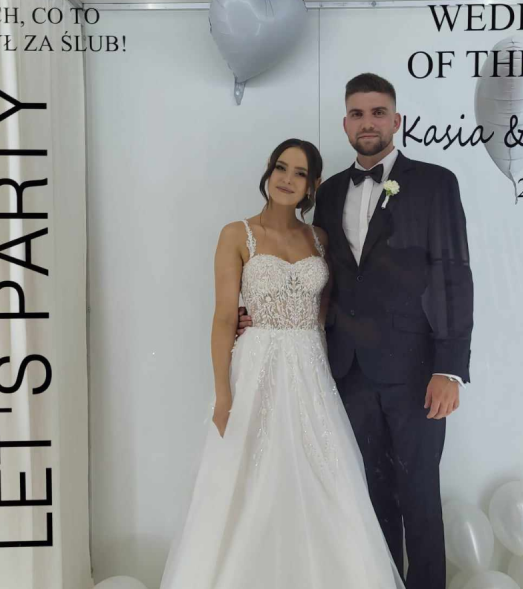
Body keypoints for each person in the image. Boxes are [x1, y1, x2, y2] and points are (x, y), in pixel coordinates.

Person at [238, 73, 474, 589]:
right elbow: (316, 272)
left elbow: (453, 275)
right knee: (366, 496)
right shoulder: (328, 192)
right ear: (346, 124)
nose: (368, 123)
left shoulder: (436, 183)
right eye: (358, 114)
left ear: (397, 120)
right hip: (346, 371)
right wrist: (262, 312)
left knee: (418, 494)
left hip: (416, 372)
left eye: (378, 112)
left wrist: (450, 368)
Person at [159, 138, 405, 589]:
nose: (287, 179)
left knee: (324, 477)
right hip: (256, 368)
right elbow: (223, 318)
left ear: (313, 185)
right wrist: (223, 393)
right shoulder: (237, 234)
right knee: (251, 477)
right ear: (269, 171)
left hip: (310, 369)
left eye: (299, 173)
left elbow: (324, 313)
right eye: (281, 168)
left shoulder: (320, 239)